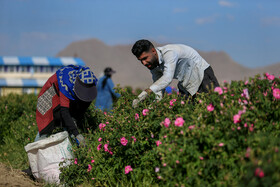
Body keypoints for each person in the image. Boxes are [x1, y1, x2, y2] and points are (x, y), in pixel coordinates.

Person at [131, 39, 220, 107]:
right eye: (140, 60)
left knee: (214, 105)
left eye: (145, 58)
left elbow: (167, 78)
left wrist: (146, 92)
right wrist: (154, 106)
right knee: (186, 112)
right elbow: (158, 87)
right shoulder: (153, 65)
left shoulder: (169, 53)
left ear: (153, 51)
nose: (144, 63)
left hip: (202, 75)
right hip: (186, 82)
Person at [35, 64, 98, 146]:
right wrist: (77, 134)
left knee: (70, 123)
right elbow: (65, 112)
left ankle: (70, 149)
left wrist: (74, 124)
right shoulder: (66, 83)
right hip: (51, 93)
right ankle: (36, 151)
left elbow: (82, 108)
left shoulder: (90, 86)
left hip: (69, 98)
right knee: (46, 125)